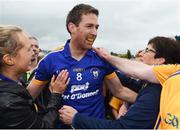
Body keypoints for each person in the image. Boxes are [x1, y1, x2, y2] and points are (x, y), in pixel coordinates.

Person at [27, 3, 137, 128]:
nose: (94, 32)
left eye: (97, 27)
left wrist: (152, 101)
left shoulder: (101, 59)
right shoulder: (50, 60)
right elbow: (28, 97)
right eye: (89, 26)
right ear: (72, 27)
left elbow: (119, 91)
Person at [59, 36, 179, 129]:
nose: (141, 53)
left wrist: (76, 118)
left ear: (159, 60)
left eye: (147, 50)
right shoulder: (155, 83)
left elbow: (121, 127)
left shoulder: (152, 95)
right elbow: (132, 81)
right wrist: (103, 67)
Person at [0, 25, 70, 128]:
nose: (34, 52)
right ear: (9, 59)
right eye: (28, 49)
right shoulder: (10, 103)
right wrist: (56, 95)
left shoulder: (14, 83)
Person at [110, 49, 144, 119]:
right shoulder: (130, 81)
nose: (138, 62)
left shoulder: (148, 83)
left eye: (142, 59)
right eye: (137, 57)